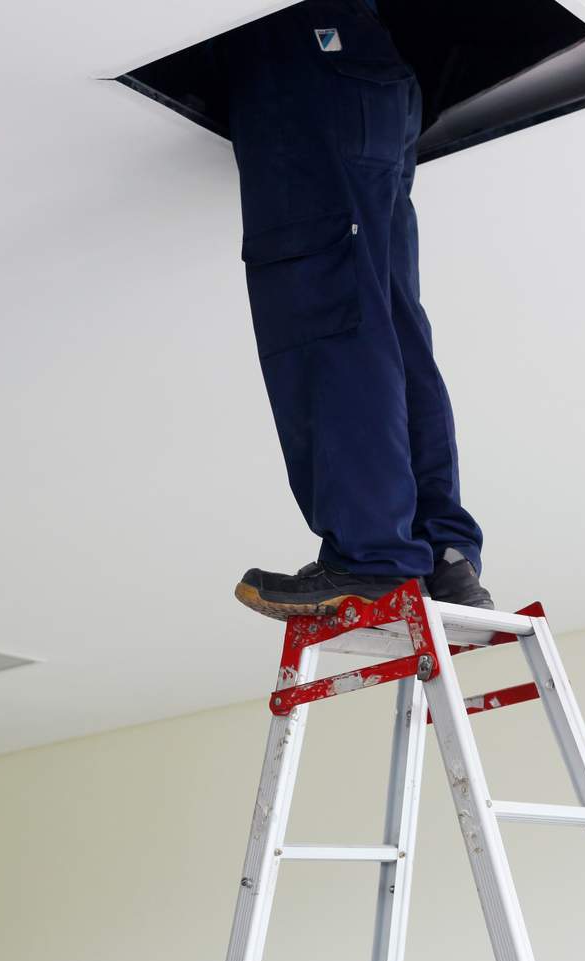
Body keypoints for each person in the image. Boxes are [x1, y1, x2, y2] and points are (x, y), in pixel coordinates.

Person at [224, 0, 493, 620]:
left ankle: (377, 558)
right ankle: (440, 553)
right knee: (385, 326)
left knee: (337, 324)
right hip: (353, 66)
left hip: (313, 59)